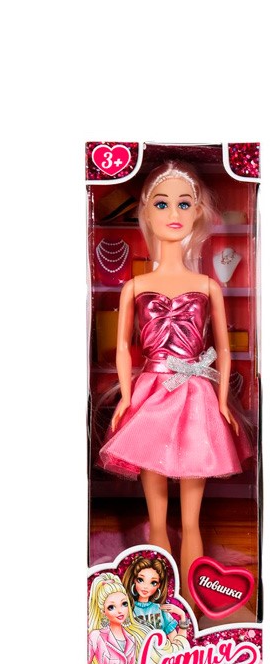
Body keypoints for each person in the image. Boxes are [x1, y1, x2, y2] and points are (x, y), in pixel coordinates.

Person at [98, 161, 250, 590]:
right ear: (146, 213)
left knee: (192, 518)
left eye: (184, 203)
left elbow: (223, 349)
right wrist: (127, 398)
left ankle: (196, 595)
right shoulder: (134, 286)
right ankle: (161, 595)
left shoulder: (207, 285)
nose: (173, 213)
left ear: (198, 211)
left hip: (197, 394)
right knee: (158, 515)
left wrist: (222, 402)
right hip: (152, 390)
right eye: (162, 204)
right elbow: (124, 348)